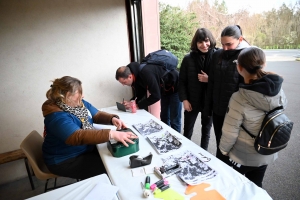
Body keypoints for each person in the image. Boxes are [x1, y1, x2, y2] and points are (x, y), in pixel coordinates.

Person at [42, 76, 138, 180]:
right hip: (65, 160)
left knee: (113, 158)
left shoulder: (77, 103)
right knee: (111, 169)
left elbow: (96, 115)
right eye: (80, 92)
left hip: (84, 149)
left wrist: (112, 119)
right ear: (68, 95)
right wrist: (111, 134)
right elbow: (76, 136)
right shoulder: (56, 117)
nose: (83, 96)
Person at [219, 47, 287, 187]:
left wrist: (223, 151)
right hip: (266, 151)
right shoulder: (278, 89)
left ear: (239, 67)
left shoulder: (239, 98)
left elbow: (230, 132)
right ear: (264, 64)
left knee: (234, 187)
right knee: (255, 186)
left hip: (242, 155)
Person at [203, 25, 250, 162]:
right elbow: (211, 83)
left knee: (234, 148)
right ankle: (221, 170)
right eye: (222, 44)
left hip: (235, 114)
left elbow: (248, 88)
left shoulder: (246, 56)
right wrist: (208, 108)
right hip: (218, 111)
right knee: (220, 145)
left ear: (240, 39)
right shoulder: (217, 54)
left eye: (229, 44)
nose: (225, 48)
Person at [115, 62, 182, 133]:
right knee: (164, 117)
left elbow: (156, 96)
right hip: (164, 89)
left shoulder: (146, 73)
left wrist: (138, 105)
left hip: (176, 87)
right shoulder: (136, 75)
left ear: (130, 76)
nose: (123, 85)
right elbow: (141, 92)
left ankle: (178, 140)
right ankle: (167, 136)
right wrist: (131, 102)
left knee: (174, 119)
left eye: (124, 82)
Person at [178, 28, 217, 150]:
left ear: (211, 40)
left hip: (209, 103)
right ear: (196, 43)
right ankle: (185, 152)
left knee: (206, 132)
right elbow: (182, 81)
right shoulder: (188, 58)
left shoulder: (217, 56)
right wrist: (184, 100)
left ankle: (203, 154)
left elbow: (223, 81)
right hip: (192, 101)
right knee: (187, 131)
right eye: (200, 42)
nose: (204, 45)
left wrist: (209, 79)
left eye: (206, 41)